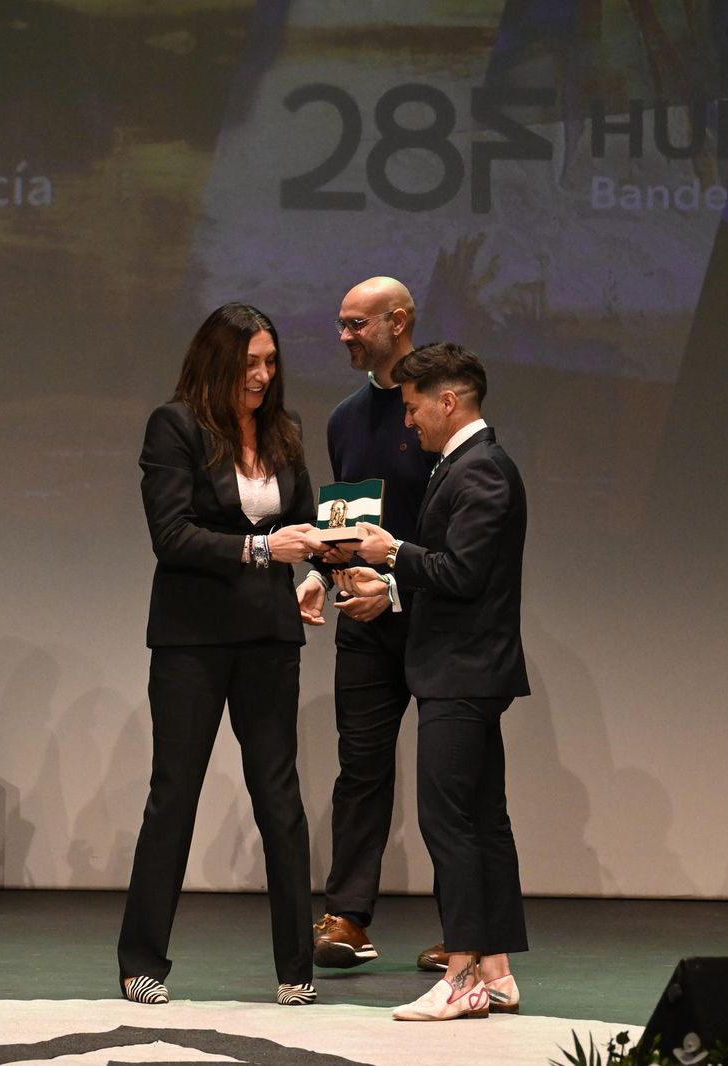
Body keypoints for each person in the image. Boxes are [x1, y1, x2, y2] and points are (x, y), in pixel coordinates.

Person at [117, 302, 328, 1007]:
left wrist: (320, 577)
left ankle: (297, 968)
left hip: (270, 635)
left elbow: (307, 525)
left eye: (270, 362)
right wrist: (264, 548)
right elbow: (170, 536)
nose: (263, 376)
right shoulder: (174, 426)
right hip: (193, 640)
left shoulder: (285, 432)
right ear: (219, 363)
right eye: (250, 364)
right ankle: (141, 960)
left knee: (280, 798)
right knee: (174, 794)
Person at [341, 342, 529, 1021]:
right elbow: (453, 578)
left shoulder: (481, 472)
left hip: (463, 672)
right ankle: (498, 972)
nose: (409, 422)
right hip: (467, 667)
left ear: (449, 401)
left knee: (447, 823)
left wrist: (392, 553)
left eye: (416, 407)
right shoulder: (469, 466)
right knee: (481, 820)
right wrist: (392, 586)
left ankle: (461, 976)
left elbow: (463, 575)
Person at [299, 277, 442, 973]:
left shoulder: (441, 415)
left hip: (436, 617)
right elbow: (346, 522)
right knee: (361, 770)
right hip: (364, 622)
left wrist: (397, 584)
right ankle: (349, 917)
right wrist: (322, 575)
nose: (345, 336)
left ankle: (467, 930)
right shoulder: (344, 419)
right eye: (341, 323)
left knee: (453, 777)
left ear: (399, 321)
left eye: (357, 324)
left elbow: (456, 533)